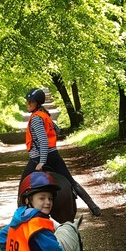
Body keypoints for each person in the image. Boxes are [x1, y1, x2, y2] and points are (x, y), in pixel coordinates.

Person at [22, 88, 101, 216]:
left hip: (39, 158)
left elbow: (43, 142)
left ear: (37, 103)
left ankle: (21, 215)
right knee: (71, 181)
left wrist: (42, 162)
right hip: (54, 156)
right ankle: (92, 206)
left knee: (23, 184)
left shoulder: (36, 118)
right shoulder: (44, 115)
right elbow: (57, 130)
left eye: (31, 102)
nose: (28, 104)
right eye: (28, 101)